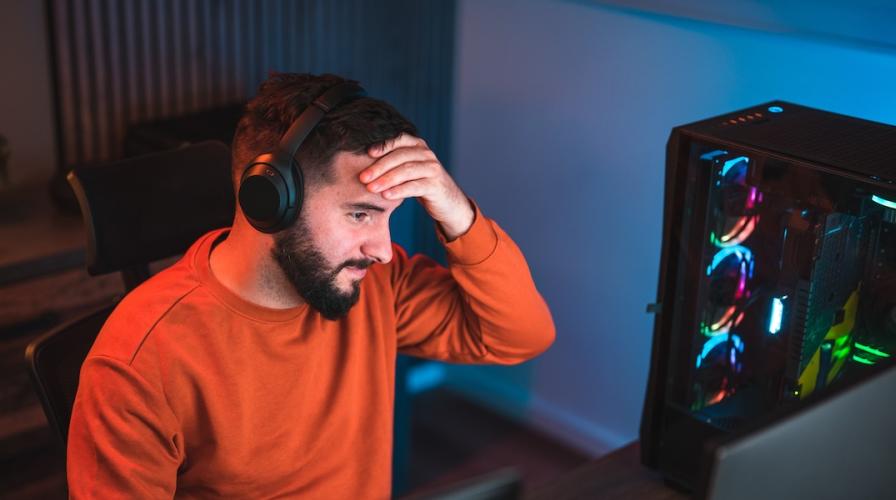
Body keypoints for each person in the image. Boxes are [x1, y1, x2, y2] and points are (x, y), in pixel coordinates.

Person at [67, 73, 555, 499]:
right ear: (269, 200)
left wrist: (455, 208)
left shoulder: (378, 284)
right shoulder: (139, 363)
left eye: (387, 217)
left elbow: (519, 335)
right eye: (360, 214)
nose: (382, 249)